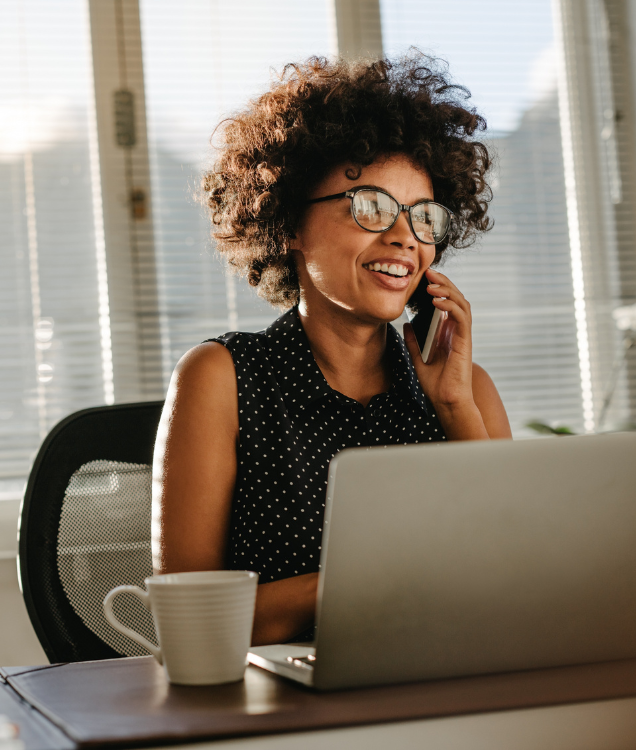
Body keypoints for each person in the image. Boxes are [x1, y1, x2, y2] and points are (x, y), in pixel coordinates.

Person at [151, 53, 511, 646]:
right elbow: (188, 622)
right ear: (288, 221)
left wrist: (455, 410)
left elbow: (517, 581)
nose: (403, 237)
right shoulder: (222, 378)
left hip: (441, 685)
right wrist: (374, 578)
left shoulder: (465, 391)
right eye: (370, 207)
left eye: (424, 217)